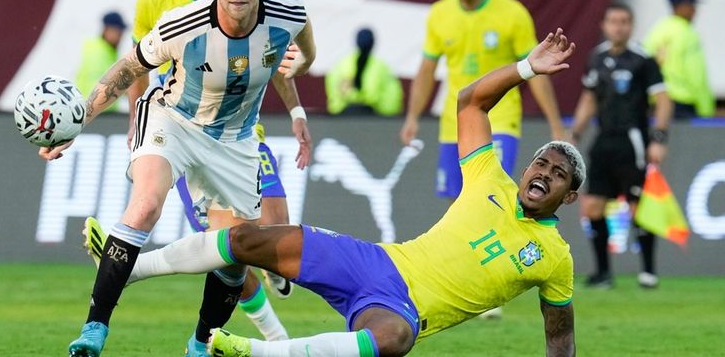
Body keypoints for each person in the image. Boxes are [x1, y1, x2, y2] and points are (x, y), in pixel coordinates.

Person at [117, 29, 580, 357]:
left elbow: (559, 339)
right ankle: (131, 268)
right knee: (247, 240)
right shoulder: (487, 175)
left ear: (569, 197)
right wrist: (525, 68)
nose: (544, 173)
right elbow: (470, 101)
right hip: (374, 262)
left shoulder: (554, 258)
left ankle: (255, 352)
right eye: (541, 162)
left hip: (402, 307)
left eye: (558, 174)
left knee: (393, 339)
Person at [39, 0, 317, 357]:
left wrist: (306, 64)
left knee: (234, 252)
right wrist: (77, 123)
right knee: (147, 203)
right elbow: (124, 69)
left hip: (236, 138)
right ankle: (94, 329)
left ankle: (199, 343)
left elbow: (305, 47)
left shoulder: (289, 11)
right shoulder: (181, 23)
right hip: (174, 121)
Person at [124, 0, 308, 354]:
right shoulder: (156, 2)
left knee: (274, 228)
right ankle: (275, 338)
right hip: (186, 136)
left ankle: (274, 273)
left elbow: (274, 56)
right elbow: (138, 63)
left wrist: (297, 112)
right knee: (229, 251)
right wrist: (136, 124)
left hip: (246, 134)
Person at [400, 0, 565, 196]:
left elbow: (535, 71)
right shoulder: (439, 14)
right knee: (456, 203)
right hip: (454, 122)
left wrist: (556, 125)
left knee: (492, 194)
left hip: (499, 118)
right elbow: (426, 70)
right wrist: (412, 116)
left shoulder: (512, 13)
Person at [570, 3, 673, 289]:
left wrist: (659, 138)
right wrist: (575, 133)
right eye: (614, 21)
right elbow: (590, 98)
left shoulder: (643, 60)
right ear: (604, 24)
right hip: (604, 139)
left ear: (631, 25)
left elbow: (663, 100)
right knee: (592, 206)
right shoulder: (596, 57)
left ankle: (648, 272)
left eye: (625, 21)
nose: (619, 26)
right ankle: (603, 274)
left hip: (633, 140)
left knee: (638, 206)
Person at [643, 0, 714, 118]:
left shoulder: (656, 31)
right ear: (681, 6)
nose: (695, 10)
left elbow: (645, 68)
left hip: (657, 102)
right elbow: (696, 74)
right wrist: (706, 109)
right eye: (692, 5)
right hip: (684, 104)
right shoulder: (687, 33)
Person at [325, 27, 403, 116]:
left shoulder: (340, 65)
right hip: (374, 118)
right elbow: (392, 98)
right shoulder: (381, 67)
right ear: (373, 43)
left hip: (342, 116)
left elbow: (333, 94)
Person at [74, 11, 127, 113]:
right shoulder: (98, 52)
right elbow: (103, 88)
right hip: (97, 115)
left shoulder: (108, 51)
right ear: (107, 29)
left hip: (98, 114)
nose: (120, 36)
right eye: (117, 31)